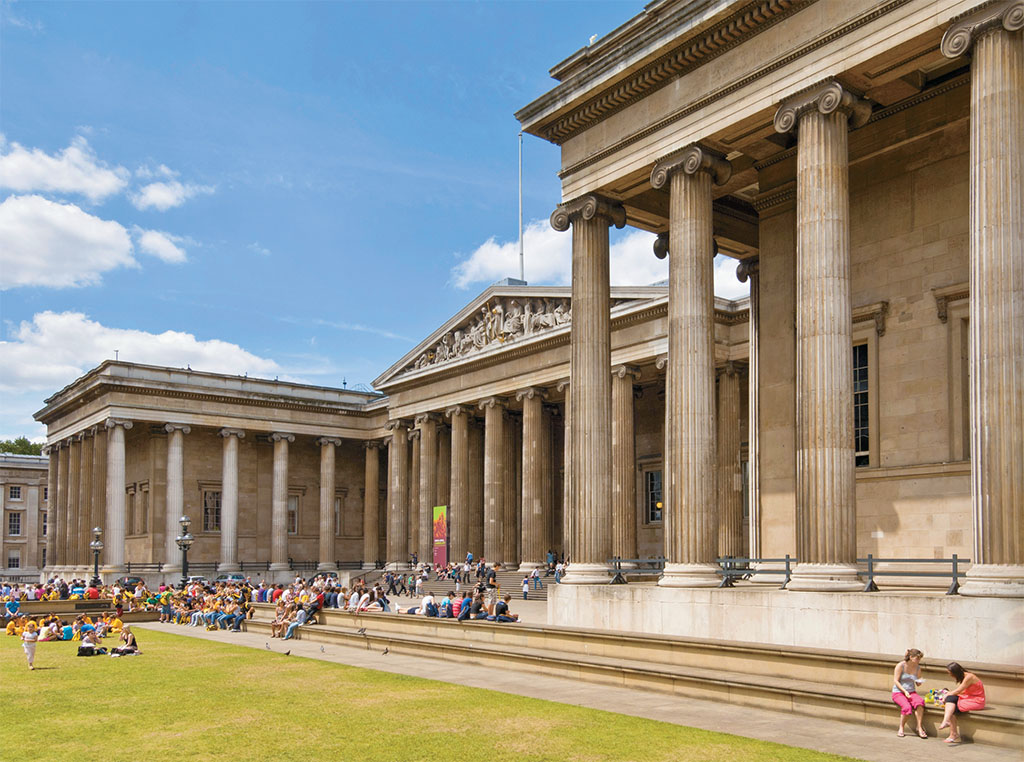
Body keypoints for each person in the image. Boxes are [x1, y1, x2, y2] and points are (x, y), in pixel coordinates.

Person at [939, 662, 985, 744]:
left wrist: (946, 695)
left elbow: (958, 690)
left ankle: (952, 732)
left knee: (951, 704)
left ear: (955, 672)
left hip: (976, 701)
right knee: (950, 701)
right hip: (967, 697)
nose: (950, 675)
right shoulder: (964, 676)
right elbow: (961, 691)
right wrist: (948, 694)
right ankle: (949, 727)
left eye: (950, 673)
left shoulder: (969, 677)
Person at [891, 648, 927, 738]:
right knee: (907, 707)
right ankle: (901, 727)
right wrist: (904, 691)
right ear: (911, 657)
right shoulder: (900, 665)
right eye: (917, 658)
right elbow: (896, 680)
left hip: (911, 692)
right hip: (898, 692)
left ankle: (919, 727)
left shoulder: (918, 668)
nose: (919, 660)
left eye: (919, 659)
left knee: (920, 703)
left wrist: (920, 681)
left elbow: (918, 684)